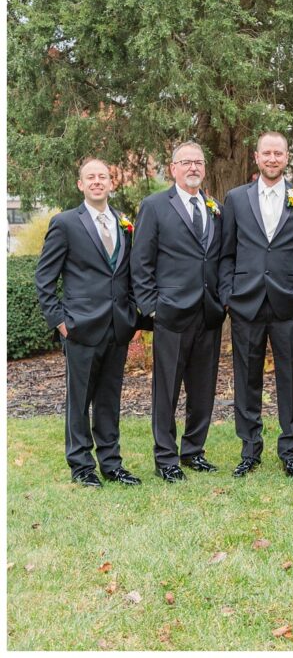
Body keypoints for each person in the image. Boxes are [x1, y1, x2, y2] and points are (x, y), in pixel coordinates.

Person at [35, 158, 141, 487]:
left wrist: (132, 314)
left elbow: (128, 274)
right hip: (80, 327)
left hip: (117, 326)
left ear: (112, 183)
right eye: (90, 177)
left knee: (109, 399)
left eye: (103, 177)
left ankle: (111, 463)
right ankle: (82, 466)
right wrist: (60, 322)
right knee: (79, 402)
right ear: (80, 185)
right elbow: (44, 278)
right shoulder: (65, 223)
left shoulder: (123, 222)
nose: (97, 182)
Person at [219, 131, 293, 478]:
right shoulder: (236, 198)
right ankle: (249, 450)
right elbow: (226, 252)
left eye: (279, 153)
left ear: (287, 157)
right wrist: (228, 294)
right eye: (267, 153)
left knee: (290, 380)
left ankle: (290, 449)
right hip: (246, 302)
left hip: (288, 304)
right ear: (257, 158)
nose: (273, 159)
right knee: (246, 380)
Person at [131, 141, 225, 482]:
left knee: (203, 390)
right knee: (166, 390)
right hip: (170, 313)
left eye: (198, 162)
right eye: (186, 162)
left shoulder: (214, 207)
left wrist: (222, 298)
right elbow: (140, 262)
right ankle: (166, 458)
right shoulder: (155, 206)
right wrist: (151, 308)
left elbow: (218, 258)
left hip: (208, 313)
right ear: (173, 168)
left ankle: (194, 451)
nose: (193, 168)